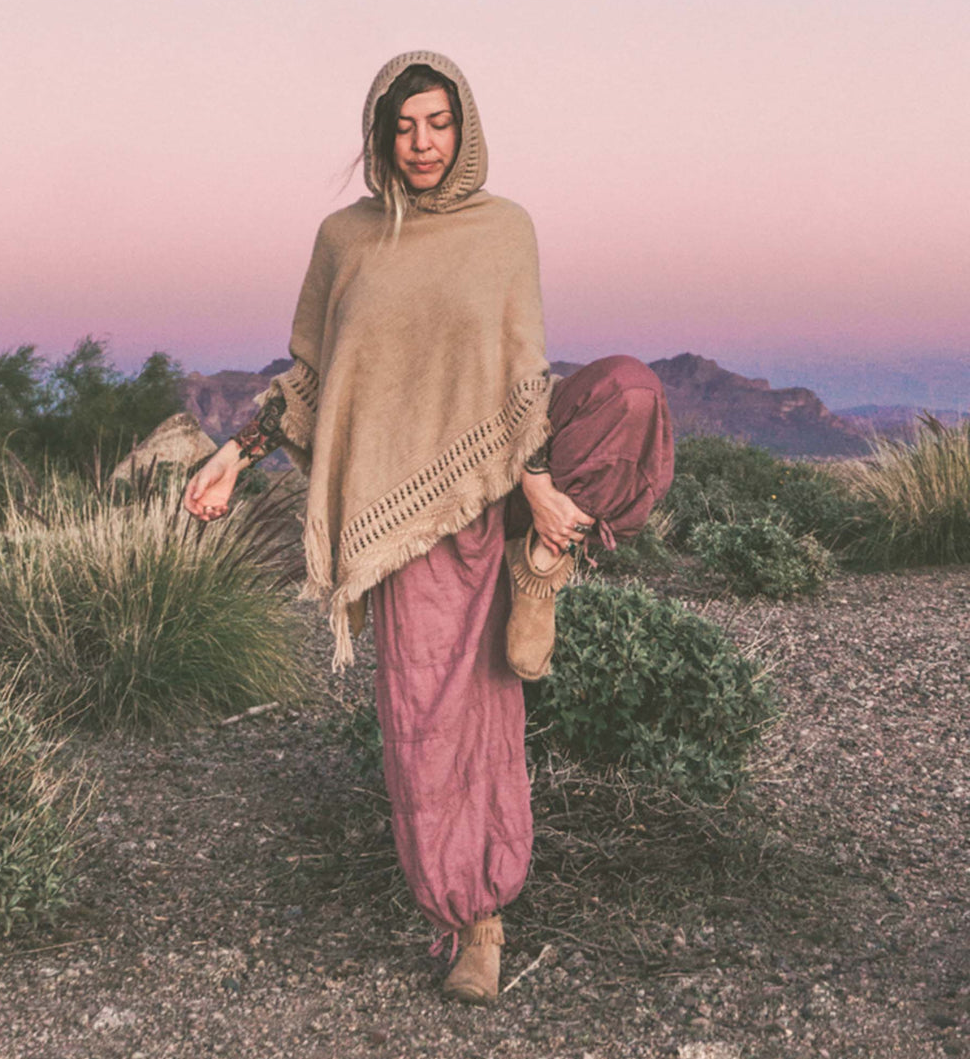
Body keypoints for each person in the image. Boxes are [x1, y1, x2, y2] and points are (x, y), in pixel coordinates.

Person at [184, 50, 673, 1004]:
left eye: (438, 123)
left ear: (465, 129)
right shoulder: (345, 238)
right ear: (380, 135)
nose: (422, 143)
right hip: (405, 518)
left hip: (502, 489)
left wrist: (532, 485)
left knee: (630, 389)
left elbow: (526, 377)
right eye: (403, 126)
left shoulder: (505, 229)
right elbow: (320, 379)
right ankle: (473, 920)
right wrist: (236, 451)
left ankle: (546, 565)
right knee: (433, 718)